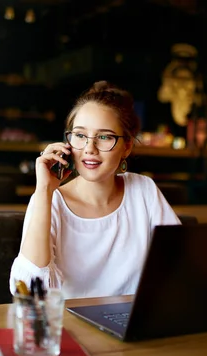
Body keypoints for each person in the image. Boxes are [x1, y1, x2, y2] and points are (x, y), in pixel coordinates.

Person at [9, 81, 181, 299]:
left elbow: (179, 264)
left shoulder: (144, 191)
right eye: (80, 136)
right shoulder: (49, 200)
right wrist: (44, 190)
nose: (90, 149)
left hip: (128, 324)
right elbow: (28, 291)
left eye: (104, 137)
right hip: (67, 325)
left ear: (126, 146)